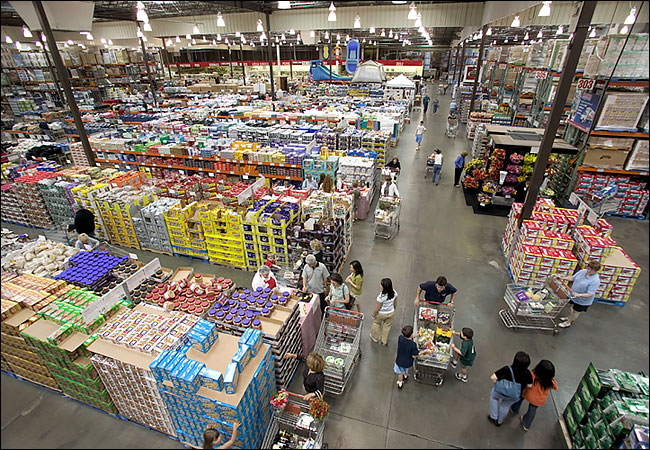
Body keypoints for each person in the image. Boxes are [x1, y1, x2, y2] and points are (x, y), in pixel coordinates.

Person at [510, 360, 558, 431]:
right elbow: (556, 387)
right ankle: (526, 424)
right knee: (532, 411)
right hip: (538, 399)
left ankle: (514, 409)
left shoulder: (532, 375)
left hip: (527, 393)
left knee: (519, 399)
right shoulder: (550, 382)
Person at [489, 351, 533, 427]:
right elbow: (530, 386)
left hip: (500, 392)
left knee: (493, 397)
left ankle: (494, 416)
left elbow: (493, 377)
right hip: (514, 395)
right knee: (505, 406)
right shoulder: (528, 373)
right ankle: (499, 422)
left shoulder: (507, 369)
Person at [557, 260, 601, 328]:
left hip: (582, 300)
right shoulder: (582, 271)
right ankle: (569, 317)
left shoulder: (595, 280)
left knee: (576, 311)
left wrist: (579, 295)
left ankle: (569, 322)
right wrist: (563, 278)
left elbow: (590, 294)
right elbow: (573, 278)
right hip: (572, 295)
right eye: (588, 268)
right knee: (568, 305)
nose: (588, 271)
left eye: (591, 270)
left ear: (595, 271)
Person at [394, 325, 432, 390]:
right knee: (405, 369)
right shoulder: (412, 344)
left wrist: (414, 336)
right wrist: (424, 351)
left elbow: (406, 338)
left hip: (399, 360)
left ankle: (400, 382)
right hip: (408, 361)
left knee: (400, 373)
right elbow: (414, 355)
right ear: (411, 334)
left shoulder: (400, 338)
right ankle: (405, 376)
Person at [370, 278, 398, 346]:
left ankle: (376, 337)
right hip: (390, 312)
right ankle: (384, 341)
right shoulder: (394, 293)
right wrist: (393, 310)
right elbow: (395, 303)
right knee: (387, 326)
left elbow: (378, 308)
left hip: (381, 314)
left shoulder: (380, 297)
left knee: (376, 323)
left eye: (381, 284)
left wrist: (374, 314)